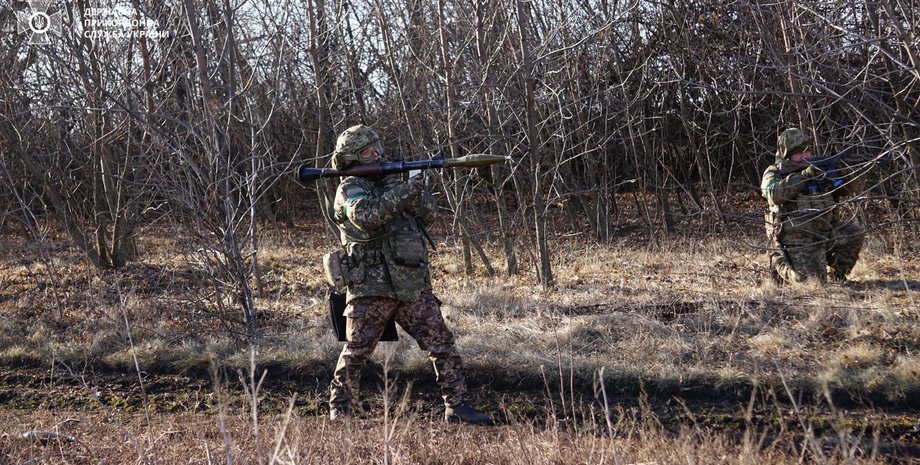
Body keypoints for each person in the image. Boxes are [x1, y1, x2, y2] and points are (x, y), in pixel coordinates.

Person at [326, 124, 491, 424]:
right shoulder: (349, 188)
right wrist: (403, 190)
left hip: (410, 284)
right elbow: (366, 216)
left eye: (377, 148)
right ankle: (341, 406)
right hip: (371, 286)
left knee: (442, 344)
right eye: (368, 152)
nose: (377, 155)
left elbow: (429, 214)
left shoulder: (393, 183)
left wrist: (412, 186)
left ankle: (457, 405)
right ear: (353, 159)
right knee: (357, 352)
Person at [761, 128, 866, 284]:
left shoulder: (820, 168)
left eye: (808, 152)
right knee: (810, 282)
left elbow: (848, 190)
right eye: (799, 153)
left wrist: (841, 171)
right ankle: (778, 262)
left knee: (853, 234)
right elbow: (773, 195)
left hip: (826, 229)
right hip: (796, 236)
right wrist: (804, 177)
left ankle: (838, 275)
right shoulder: (774, 172)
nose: (805, 156)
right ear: (787, 155)